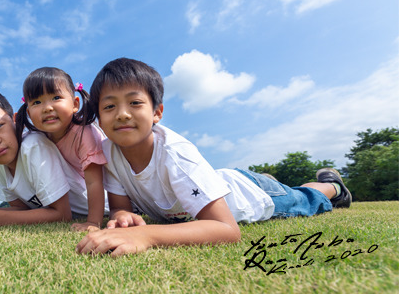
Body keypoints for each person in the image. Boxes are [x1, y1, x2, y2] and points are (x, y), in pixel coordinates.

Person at [76, 58, 351, 257]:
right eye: (110, 106)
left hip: (248, 197)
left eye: (135, 103)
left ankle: (334, 186)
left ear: (157, 112)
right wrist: (123, 217)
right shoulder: (108, 152)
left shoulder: (175, 154)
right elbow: (121, 205)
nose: (122, 113)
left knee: (304, 198)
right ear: (99, 117)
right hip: (217, 182)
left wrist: (146, 235)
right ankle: (268, 180)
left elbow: (226, 229)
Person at [0, 87, 89, 228]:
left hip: (97, 211)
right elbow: (22, 209)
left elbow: (62, 215)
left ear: (15, 121)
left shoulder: (33, 146)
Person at [15, 67, 107, 232]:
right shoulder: (39, 136)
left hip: (107, 195)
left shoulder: (82, 133)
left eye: (56, 97)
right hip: (79, 195)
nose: (47, 108)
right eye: (37, 102)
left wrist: (93, 222)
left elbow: (95, 181)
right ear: (28, 112)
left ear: (75, 104)